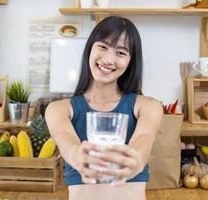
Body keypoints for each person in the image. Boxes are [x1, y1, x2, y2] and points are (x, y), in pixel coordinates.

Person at [45, 16, 163, 200]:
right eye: (103, 46)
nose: (108, 59)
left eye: (121, 53)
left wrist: (134, 160)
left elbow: (144, 139)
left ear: (131, 62)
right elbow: (66, 140)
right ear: (90, 48)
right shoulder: (58, 109)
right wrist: (79, 157)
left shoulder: (148, 106)